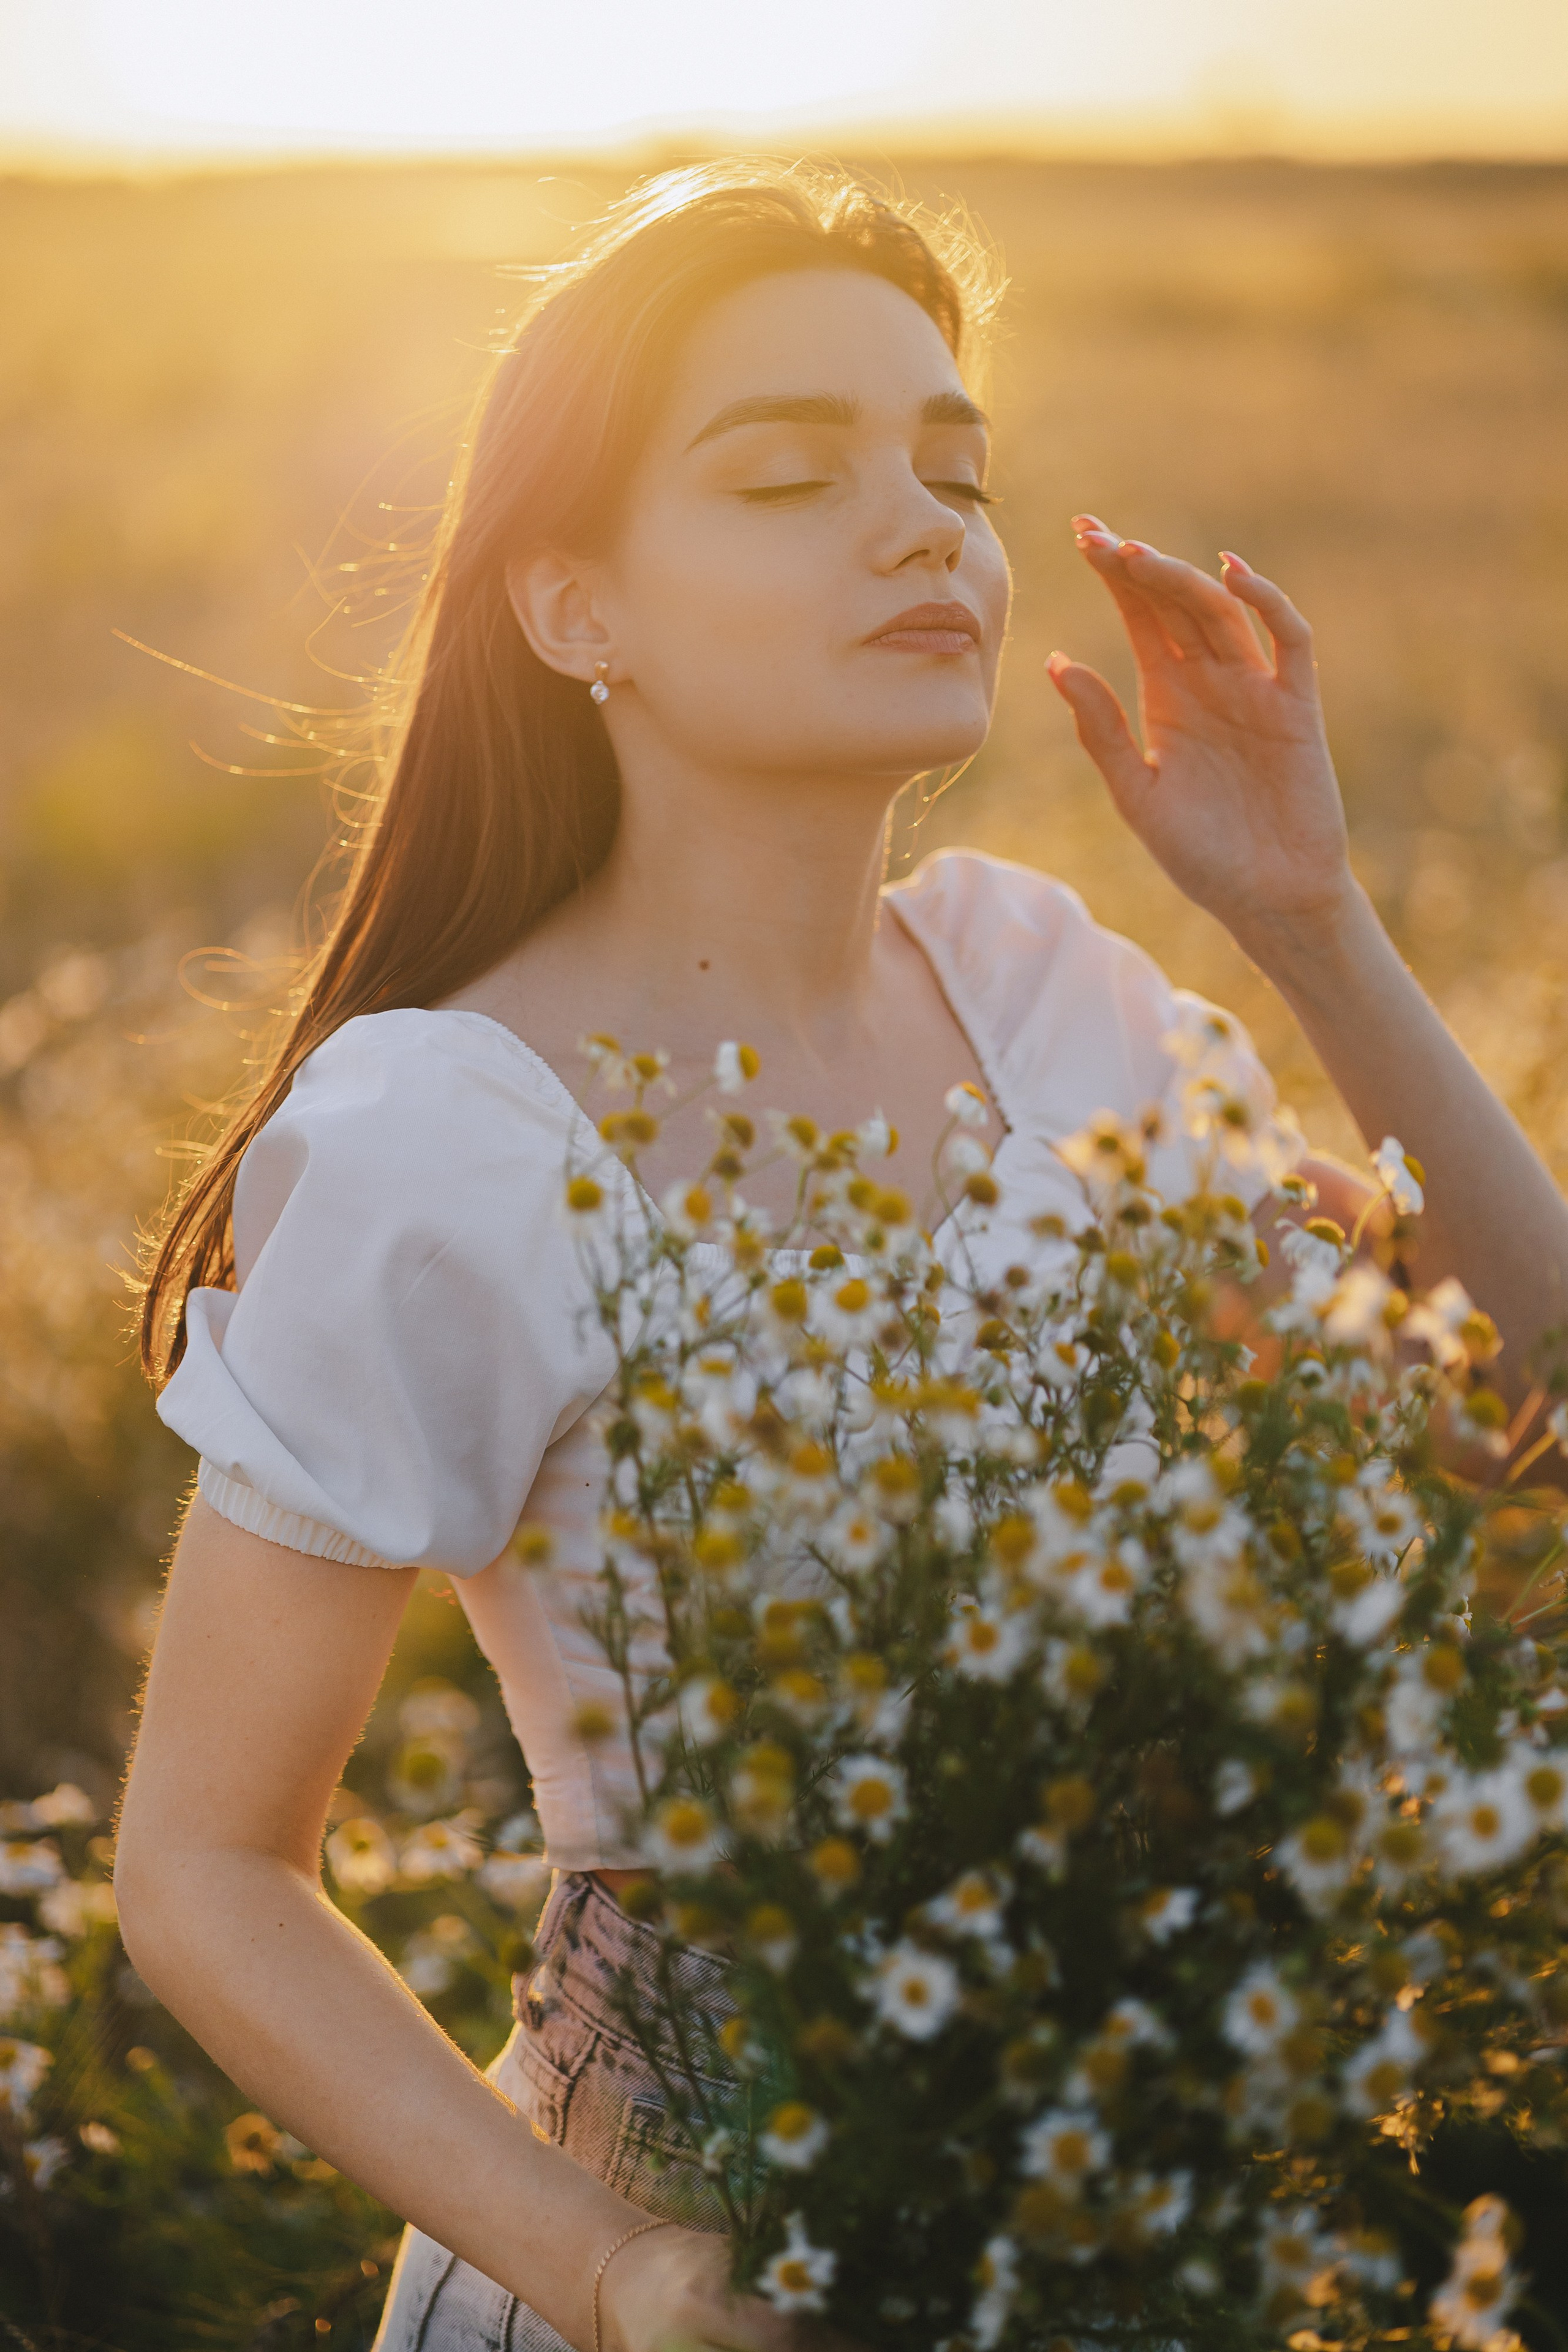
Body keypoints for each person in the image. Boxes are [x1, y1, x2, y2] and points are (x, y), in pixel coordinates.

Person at [114, 159, 1568, 2352]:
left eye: (954, 471)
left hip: (1122, 2239)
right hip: (702, 2283)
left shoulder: (1043, 995)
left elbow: (1511, 1403)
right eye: (792, 474)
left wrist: (1307, 919)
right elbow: (205, 1873)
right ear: (575, 606)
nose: (922, 528)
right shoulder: (459, 1136)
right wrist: (616, 2273)